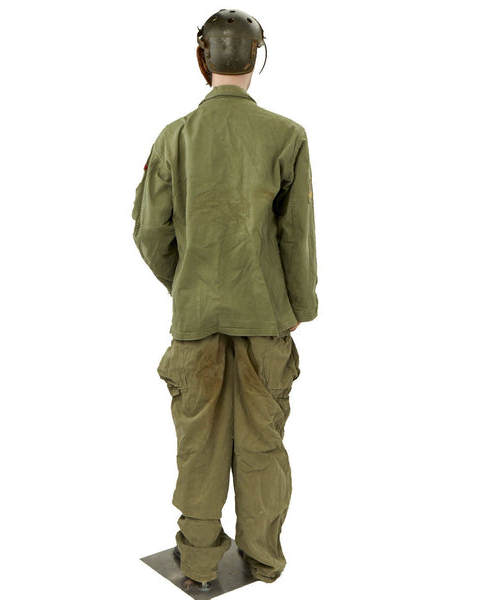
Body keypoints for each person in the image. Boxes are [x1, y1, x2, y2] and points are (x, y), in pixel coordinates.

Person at [132, 8, 318, 590]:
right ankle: (263, 559)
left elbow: (149, 232)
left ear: (202, 57)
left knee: (199, 447)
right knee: (263, 442)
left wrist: (186, 283)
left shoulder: (174, 136)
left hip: (197, 320)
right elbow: (297, 235)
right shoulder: (287, 135)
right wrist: (298, 307)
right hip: (266, 318)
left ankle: (199, 563)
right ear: (257, 57)